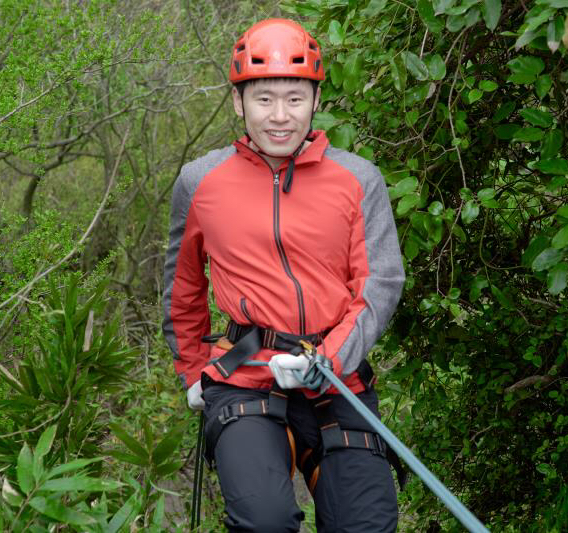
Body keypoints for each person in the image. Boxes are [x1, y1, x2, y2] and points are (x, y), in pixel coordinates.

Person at [162, 18, 404, 532]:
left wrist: (328, 359)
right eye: (264, 99)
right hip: (244, 375)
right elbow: (183, 287)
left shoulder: (358, 179)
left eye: (294, 99)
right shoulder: (200, 181)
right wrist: (193, 370)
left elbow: (379, 284)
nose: (279, 116)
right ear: (238, 102)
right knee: (265, 521)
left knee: (366, 525)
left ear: (316, 99)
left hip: (336, 376)